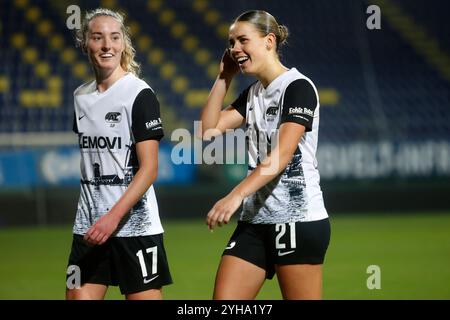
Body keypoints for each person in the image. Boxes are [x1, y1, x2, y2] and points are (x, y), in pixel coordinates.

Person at [199, 10, 331, 300]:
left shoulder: (298, 87)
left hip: (298, 220)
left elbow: (281, 156)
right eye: (231, 42)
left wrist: (235, 195)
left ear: (269, 41)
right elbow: (208, 131)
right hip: (255, 222)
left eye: (243, 40)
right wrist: (223, 77)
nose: (234, 49)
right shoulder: (254, 93)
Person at [65, 8, 172, 300]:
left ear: (123, 43)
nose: (106, 45)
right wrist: (99, 220)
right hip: (89, 229)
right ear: (85, 43)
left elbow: (149, 169)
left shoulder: (139, 94)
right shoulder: (80, 96)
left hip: (134, 228)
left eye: (114, 37)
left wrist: (113, 218)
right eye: (97, 38)